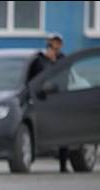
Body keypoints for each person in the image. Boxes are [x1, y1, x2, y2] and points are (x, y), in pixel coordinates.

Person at [28, 33, 70, 172]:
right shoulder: (39, 60)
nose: (56, 46)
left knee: (63, 133)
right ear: (49, 44)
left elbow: (65, 77)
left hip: (59, 100)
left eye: (59, 43)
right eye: (54, 43)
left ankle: (63, 165)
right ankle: (30, 160)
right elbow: (32, 80)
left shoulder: (62, 59)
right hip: (43, 100)